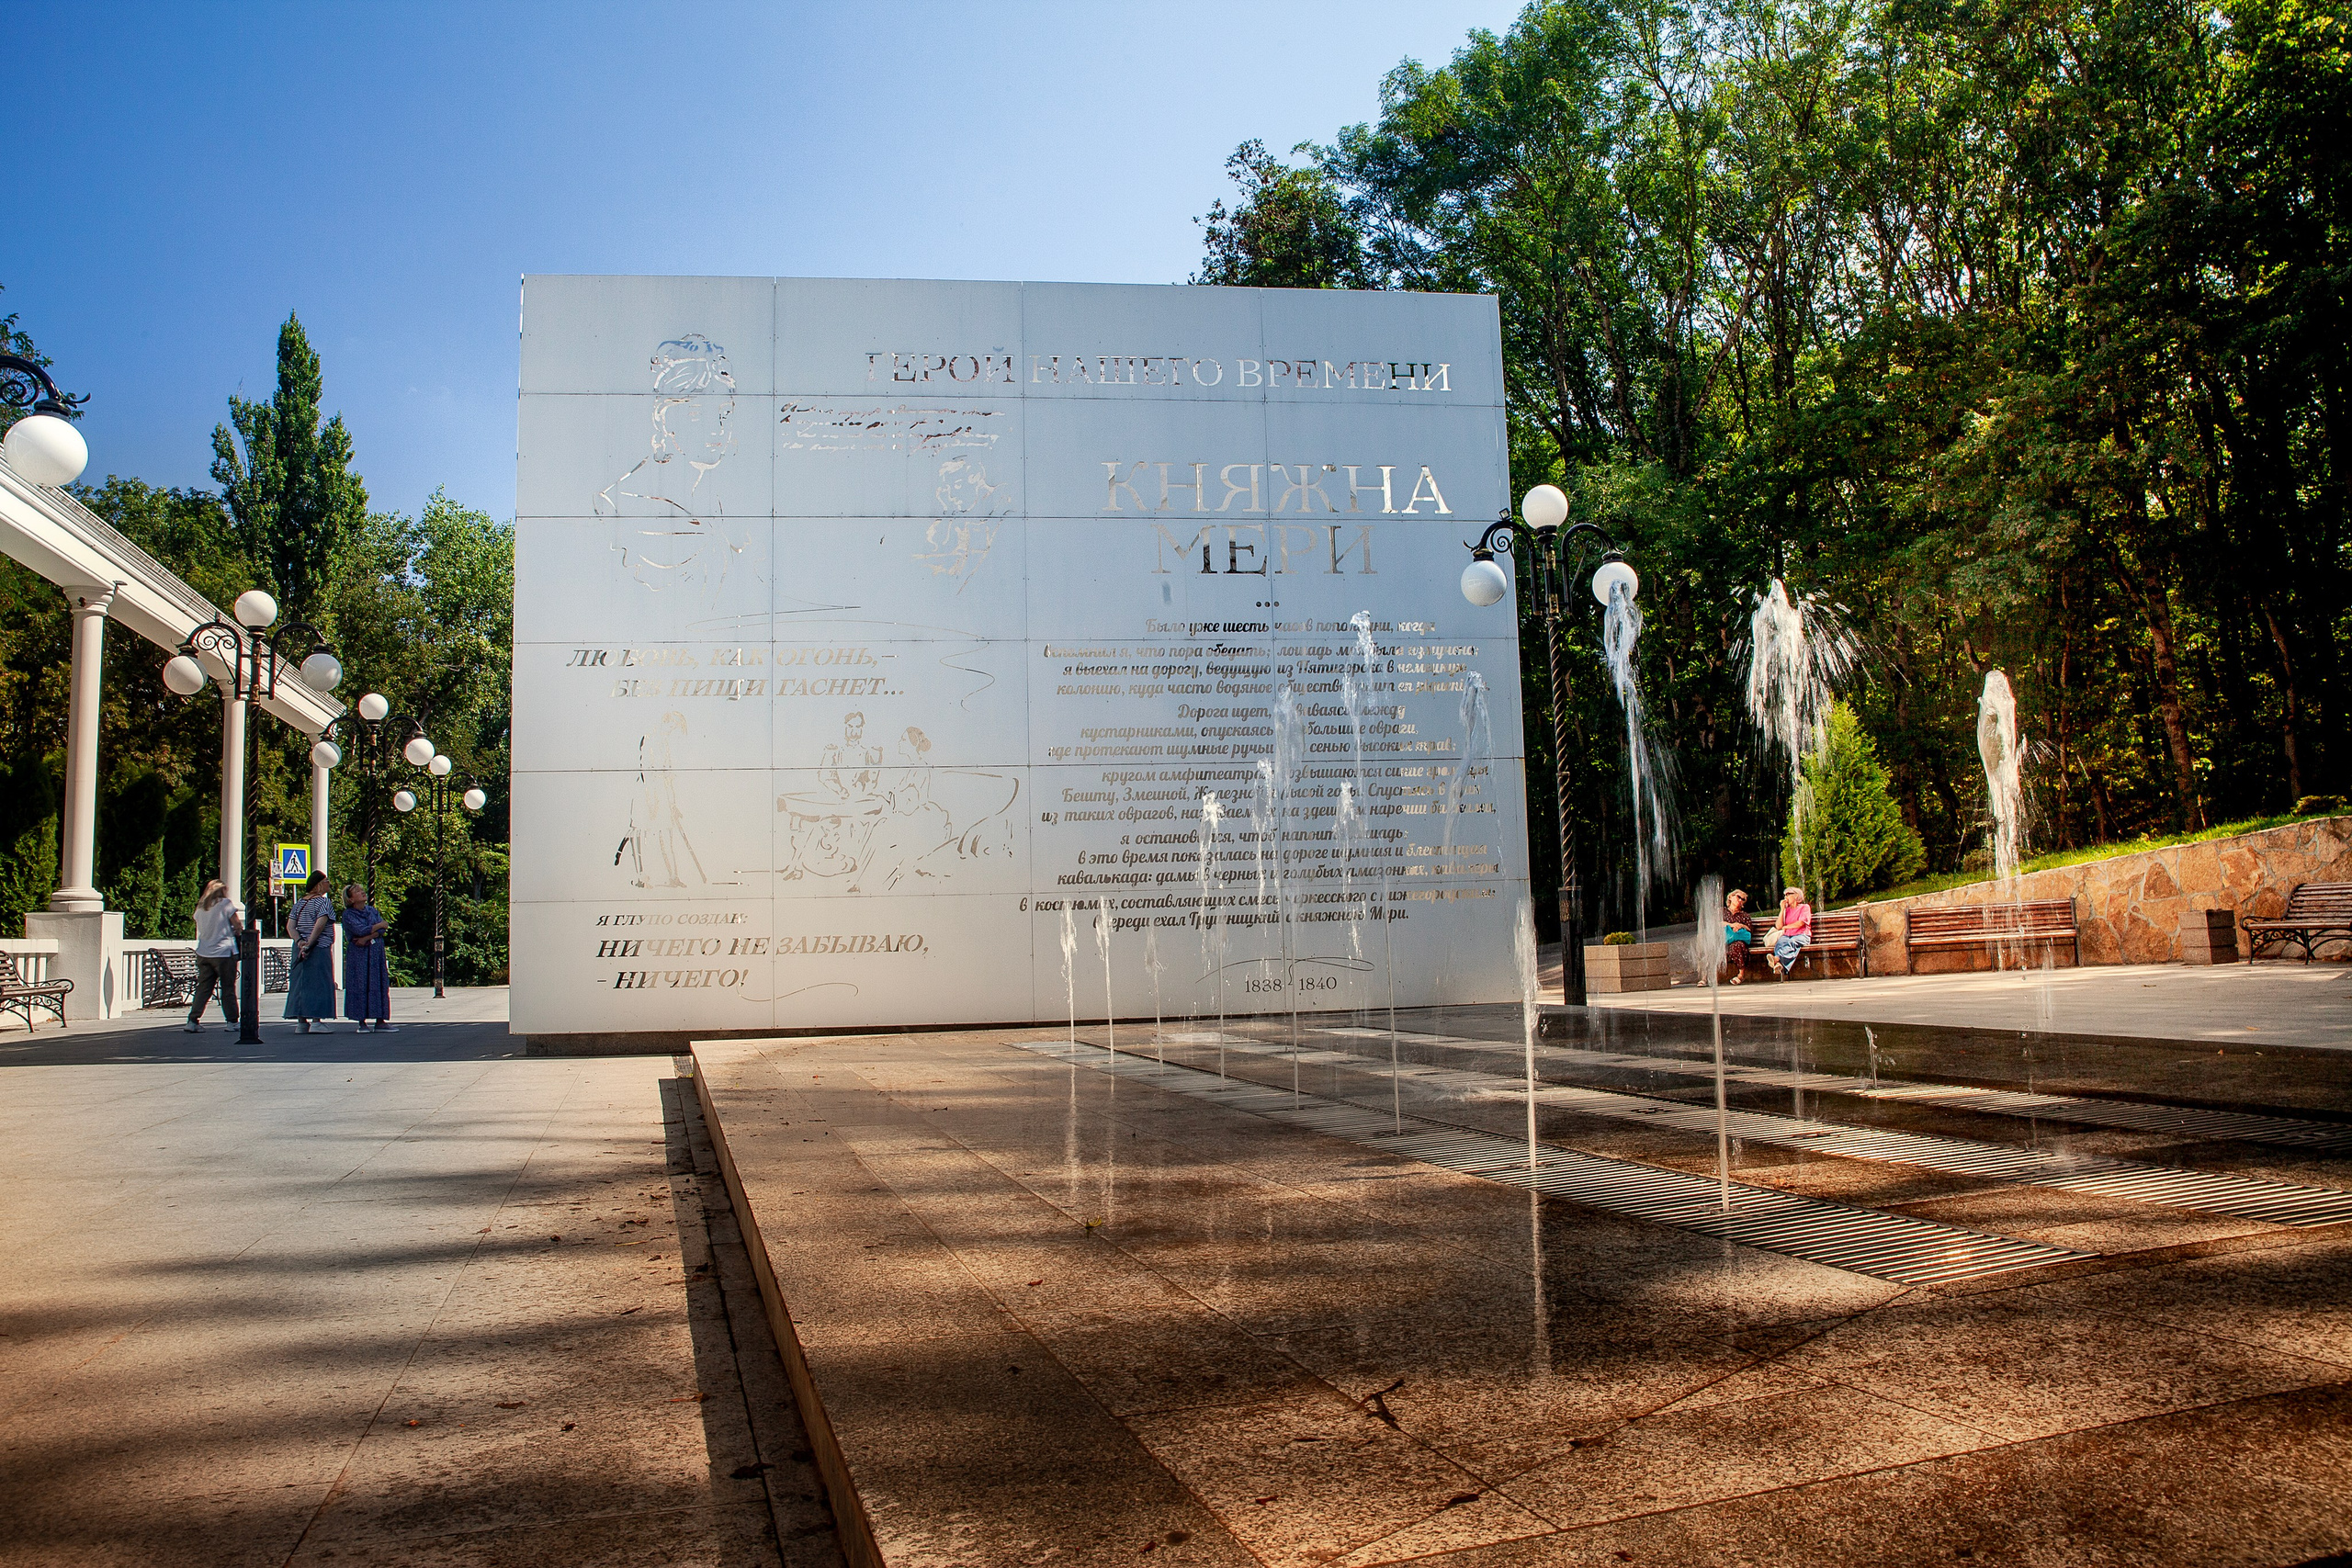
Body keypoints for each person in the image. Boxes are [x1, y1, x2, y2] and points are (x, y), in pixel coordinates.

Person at [284, 872, 339, 1032]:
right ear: (319, 885)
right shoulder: (324, 903)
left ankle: (301, 1022)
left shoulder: (299, 903)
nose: (329, 884)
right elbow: (320, 924)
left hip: (299, 949)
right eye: (326, 881)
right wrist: (309, 944)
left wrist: (300, 942)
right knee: (319, 982)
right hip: (318, 948)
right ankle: (316, 1020)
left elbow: (290, 926)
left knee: (300, 983)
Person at [187, 879, 243, 1033]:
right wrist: (237, 932)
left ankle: (193, 1020)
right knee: (227, 988)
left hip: (204, 952)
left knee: (204, 988)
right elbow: (237, 925)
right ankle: (232, 1021)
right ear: (222, 890)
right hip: (224, 952)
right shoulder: (225, 904)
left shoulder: (201, 907)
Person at [340, 884, 395, 1032]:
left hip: (375, 952)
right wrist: (377, 927)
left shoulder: (371, 911)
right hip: (359, 955)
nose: (362, 892)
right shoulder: (348, 915)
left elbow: (383, 927)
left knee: (379, 982)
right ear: (351, 899)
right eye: (357, 891)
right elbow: (359, 929)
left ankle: (380, 1020)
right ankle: (361, 1021)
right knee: (360, 983)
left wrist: (367, 937)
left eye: (362, 890)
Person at [1764, 886, 1814, 977]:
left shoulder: (1804, 907)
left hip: (1802, 935)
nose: (1785, 897)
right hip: (1788, 935)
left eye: (1788, 894)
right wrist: (1782, 910)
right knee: (1780, 942)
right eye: (1784, 895)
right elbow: (1779, 926)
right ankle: (1779, 964)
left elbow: (1800, 923)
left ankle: (1777, 959)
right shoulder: (1786, 910)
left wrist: (1787, 927)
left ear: (1796, 896)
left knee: (1791, 942)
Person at [1722, 888, 1755, 984]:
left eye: (1743, 899)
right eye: (1738, 897)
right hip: (1721, 939)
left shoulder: (1744, 916)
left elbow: (1750, 930)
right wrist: (1731, 925)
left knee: (1738, 946)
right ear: (1731, 897)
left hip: (1736, 940)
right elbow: (1715, 923)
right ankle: (1704, 977)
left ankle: (1741, 975)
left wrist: (1741, 925)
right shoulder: (1722, 911)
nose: (1740, 900)